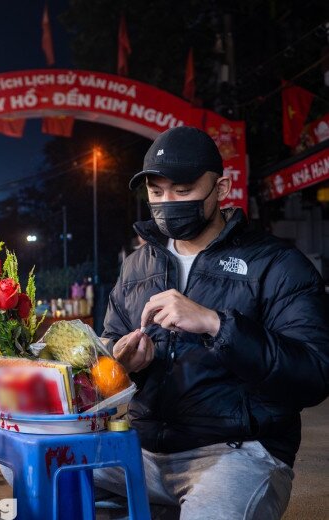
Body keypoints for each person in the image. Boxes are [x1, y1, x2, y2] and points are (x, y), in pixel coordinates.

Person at [97, 126, 329, 519]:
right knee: (41, 474)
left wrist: (218, 325)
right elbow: (110, 352)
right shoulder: (137, 266)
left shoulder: (276, 264)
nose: (167, 202)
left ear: (219, 189)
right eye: (157, 192)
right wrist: (122, 364)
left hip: (237, 452)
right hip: (143, 450)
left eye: (183, 190)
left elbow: (315, 373)